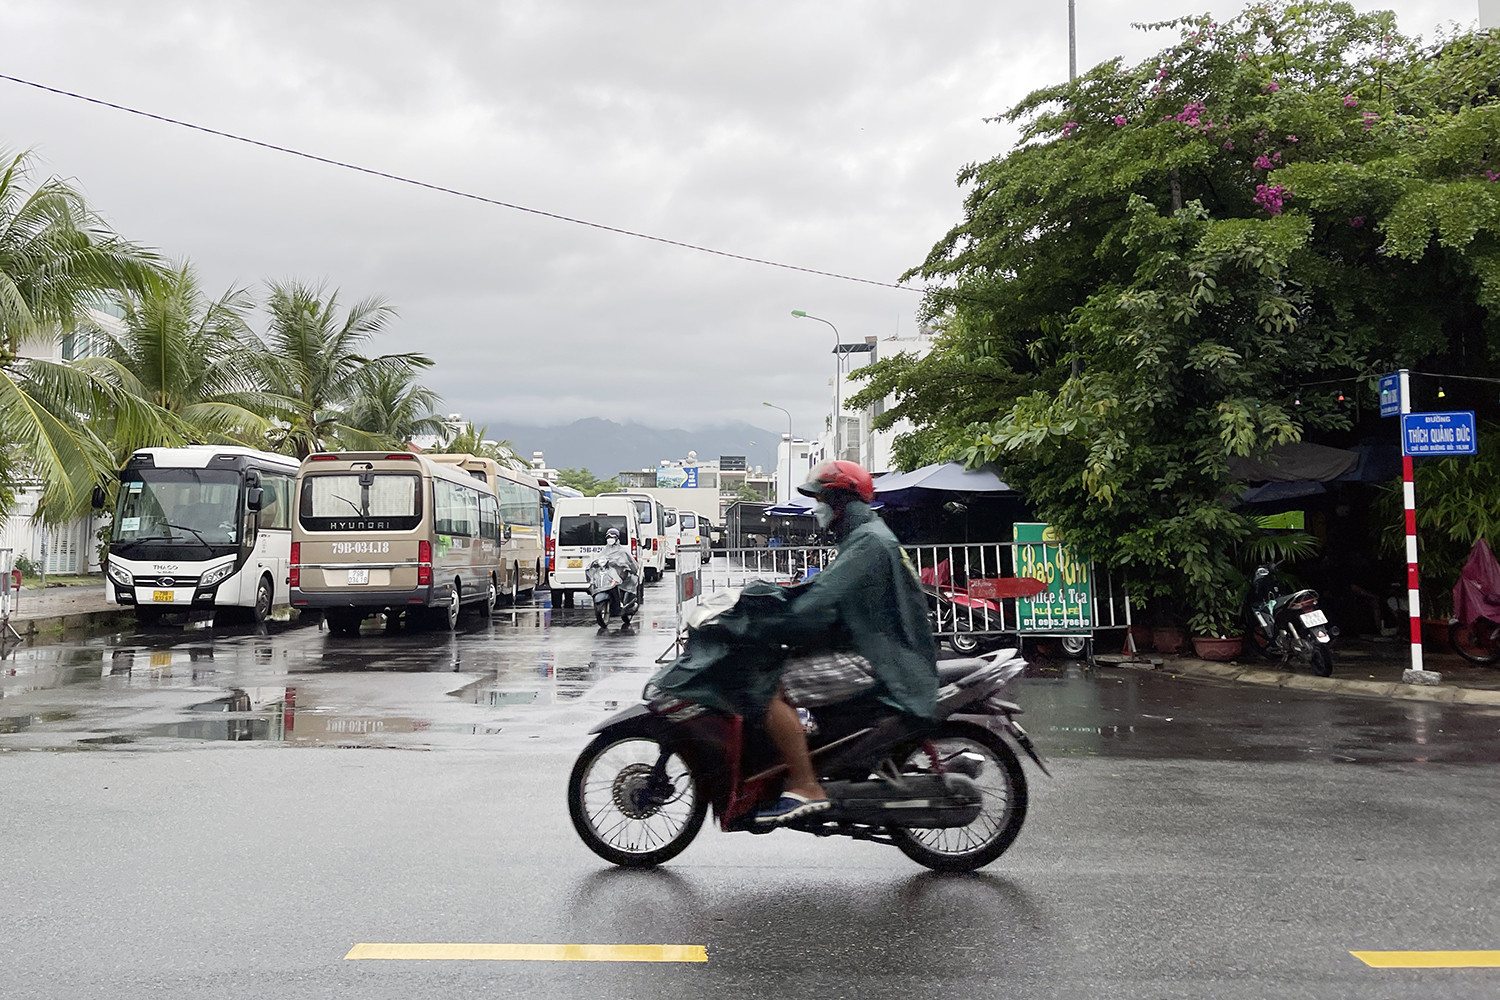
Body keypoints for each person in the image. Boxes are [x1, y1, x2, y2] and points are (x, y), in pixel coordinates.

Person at [646, 460, 939, 825]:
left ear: (838, 501)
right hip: (872, 646)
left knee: (772, 686)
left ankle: (805, 785)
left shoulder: (868, 543)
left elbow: (820, 600)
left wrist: (771, 621)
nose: (816, 507)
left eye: (820, 499)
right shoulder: (865, 537)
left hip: (876, 656)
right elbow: (827, 592)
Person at [595, 527, 641, 618]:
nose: (610, 538)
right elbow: (599, 560)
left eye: (612, 536)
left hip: (621, 574)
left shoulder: (622, 551)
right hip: (609, 575)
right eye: (608, 536)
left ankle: (621, 602)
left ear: (617, 538)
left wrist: (626, 567)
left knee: (617, 582)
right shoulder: (604, 550)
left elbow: (631, 563)